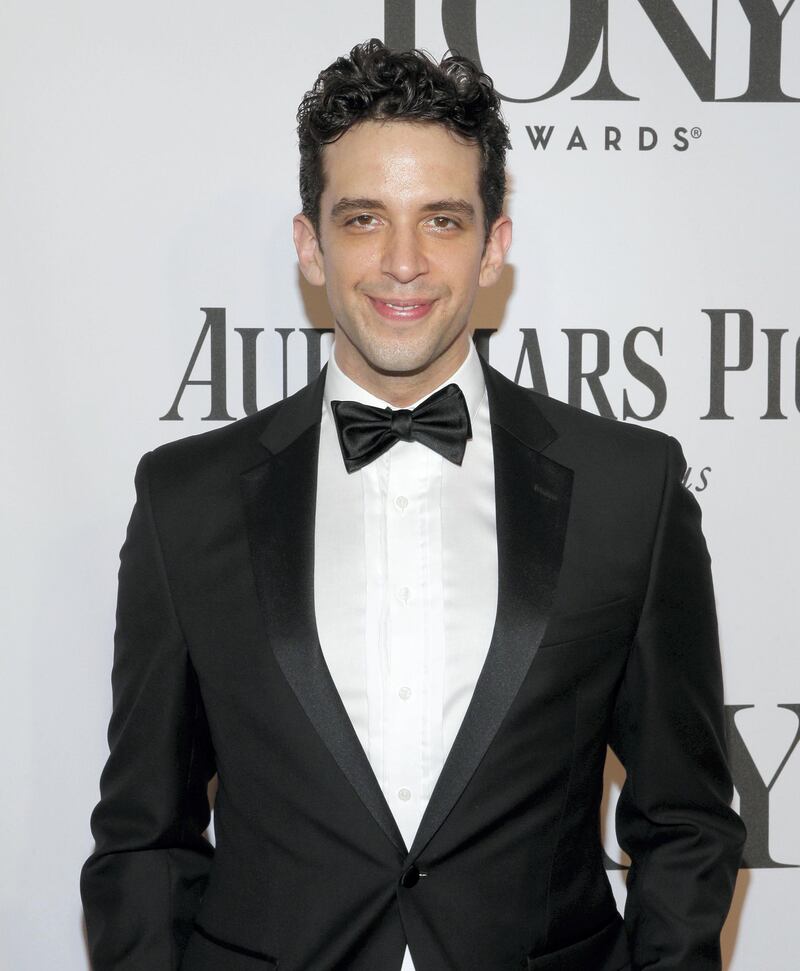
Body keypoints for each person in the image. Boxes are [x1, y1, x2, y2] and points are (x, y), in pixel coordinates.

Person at [81, 38, 745, 971]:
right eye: (362, 218)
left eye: (440, 220)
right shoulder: (185, 499)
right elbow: (144, 840)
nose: (402, 263)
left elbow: (685, 820)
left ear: (494, 245)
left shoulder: (628, 489)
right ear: (311, 245)